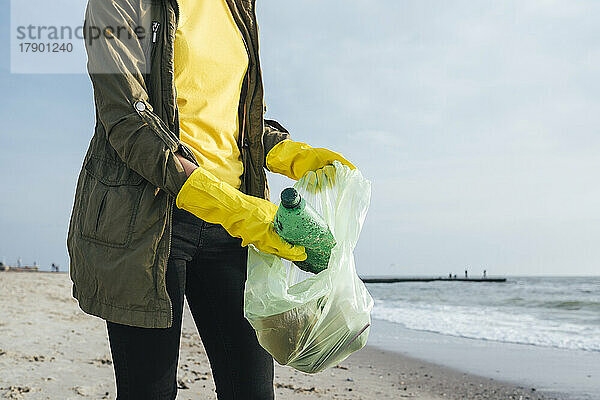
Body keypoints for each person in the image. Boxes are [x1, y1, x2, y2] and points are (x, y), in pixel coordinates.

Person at [66, 0, 355, 399]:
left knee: (251, 390)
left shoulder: (238, 7)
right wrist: (236, 209)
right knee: (148, 392)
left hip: (231, 227)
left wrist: (291, 154)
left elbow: (237, 123)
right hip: (149, 224)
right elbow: (127, 120)